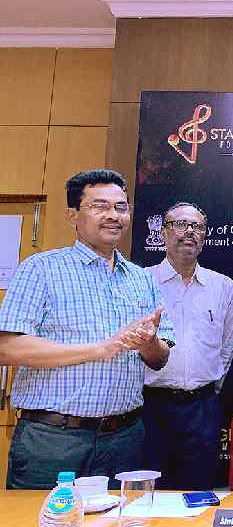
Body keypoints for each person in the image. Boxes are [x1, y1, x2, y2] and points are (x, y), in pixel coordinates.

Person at [0, 169, 173, 489]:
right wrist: (101, 349)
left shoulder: (142, 278)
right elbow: (7, 348)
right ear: (72, 215)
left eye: (121, 207)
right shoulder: (41, 269)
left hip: (124, 437)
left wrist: (149, 343)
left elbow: (160, 357)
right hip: (52, 439)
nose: (113, 215)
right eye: (99, 206)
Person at [143, 202, 233, 490]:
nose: (189, 232)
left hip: (203, 409)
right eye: (180, 224)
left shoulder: (223, 287)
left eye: (197, 227)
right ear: (163, 233)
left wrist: (207, 388)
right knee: (148, 496)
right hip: (150, 407)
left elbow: (226, 347)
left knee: (198, 495)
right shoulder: (140, 281)